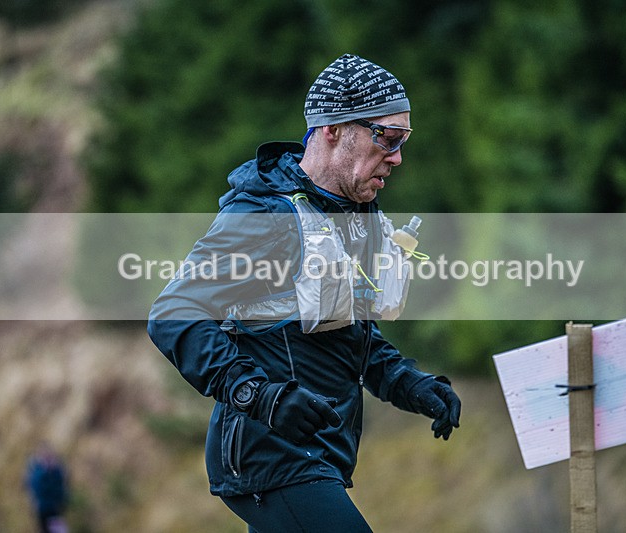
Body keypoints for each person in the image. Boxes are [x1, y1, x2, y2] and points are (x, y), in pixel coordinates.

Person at [148, 53, 462, 532]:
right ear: (333, 129)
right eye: (388, 137)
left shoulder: (351, 217)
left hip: (322, 457)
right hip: (271, 458)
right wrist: (260, 395)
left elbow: (346, 333)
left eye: (404, 140)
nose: (398, 156)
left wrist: (409, 384)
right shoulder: (264, 216)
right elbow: (173, 311)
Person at [25, 442, 69, 533]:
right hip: (42, 509)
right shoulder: (36, 470)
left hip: (55, 508)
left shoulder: (57, 471)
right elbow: (35, 488)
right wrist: (46, 472)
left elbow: (61, 488)